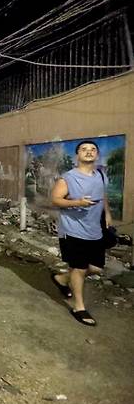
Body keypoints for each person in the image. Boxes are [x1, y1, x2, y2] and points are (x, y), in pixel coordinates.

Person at [51, 140, 112, 326]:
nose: (89, 152)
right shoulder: (68, 178)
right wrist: (78, 203)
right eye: (84, 149)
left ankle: (61, 278)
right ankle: (79, 307)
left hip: (95, 229)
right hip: (73, 229)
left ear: (97, 155)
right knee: (79, 268)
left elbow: (102, 195)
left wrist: (107, 213)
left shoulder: (101, 175)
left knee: (96, 268)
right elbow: (55, 200)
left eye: (93, 149)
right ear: (77, 155)